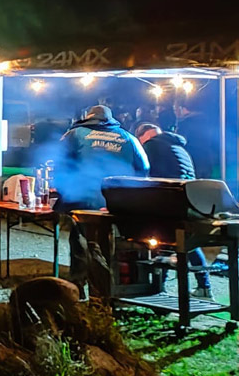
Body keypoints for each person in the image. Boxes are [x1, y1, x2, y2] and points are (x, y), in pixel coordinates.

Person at [57, 104, 150, 288]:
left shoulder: (75, 134)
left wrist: (64, 188)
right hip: (117, 200)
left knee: (81, 240)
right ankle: (109, 285)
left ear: (88, 116)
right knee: (109, 241)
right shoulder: (128, 137)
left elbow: (58, 162)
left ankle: (79, 285)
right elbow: (144, 168)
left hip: (84, 197)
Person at [136, 123, 213, 299]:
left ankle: (158, 287)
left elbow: (143, 173)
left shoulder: (151, 146)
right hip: (191, 202)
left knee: (160, 240)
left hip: (170, 202)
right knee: (189, 242)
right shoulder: (177, 146)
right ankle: (204, 287)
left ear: (143, 137)